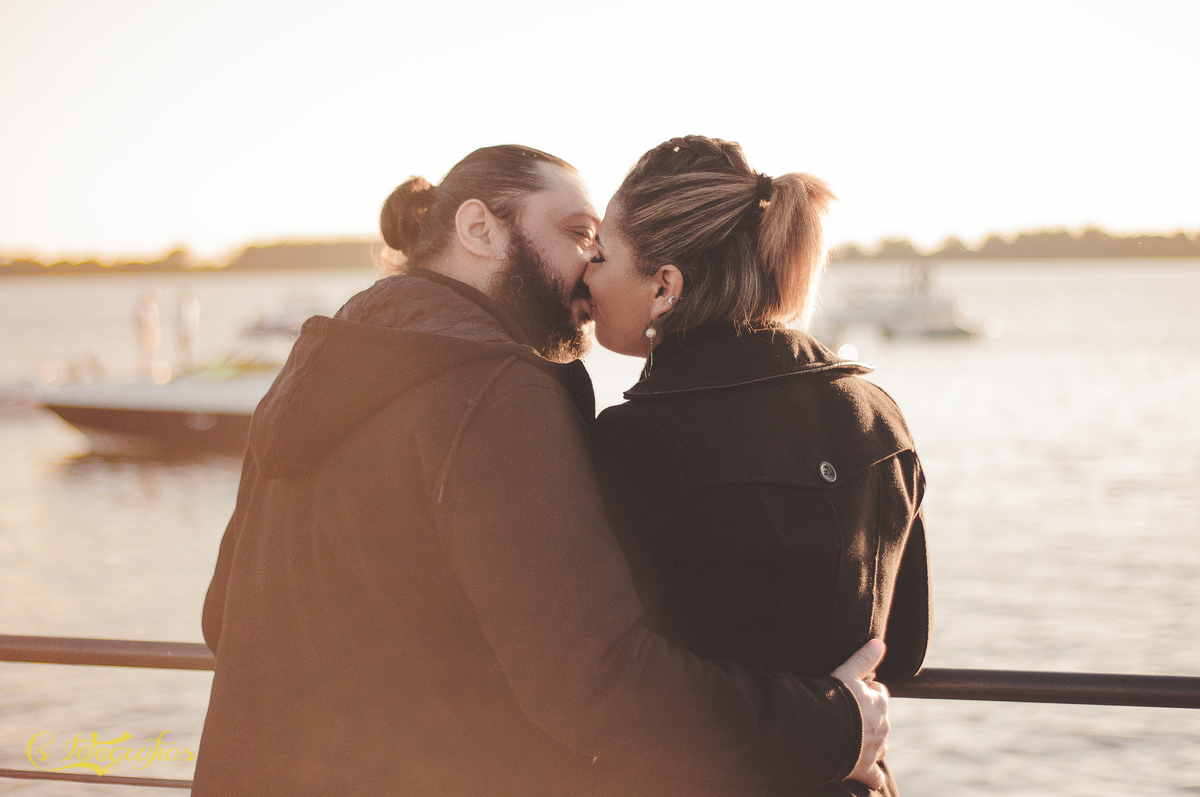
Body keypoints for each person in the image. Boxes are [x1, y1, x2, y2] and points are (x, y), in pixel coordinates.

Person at [193, 144, 889, 796]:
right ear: (480, 229)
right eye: (578, 232)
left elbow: (222, 615)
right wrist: (833, 725)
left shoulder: (311, 373)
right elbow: (596, 682)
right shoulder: (499, 391)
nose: (590, 265)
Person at [583, 136, 931, 796]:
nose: (585, 275)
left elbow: (611, 682)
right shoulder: (878, 412)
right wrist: (834, 716)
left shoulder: (635, 441)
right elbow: (904, 648)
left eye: (601, 254)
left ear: (665, 286)